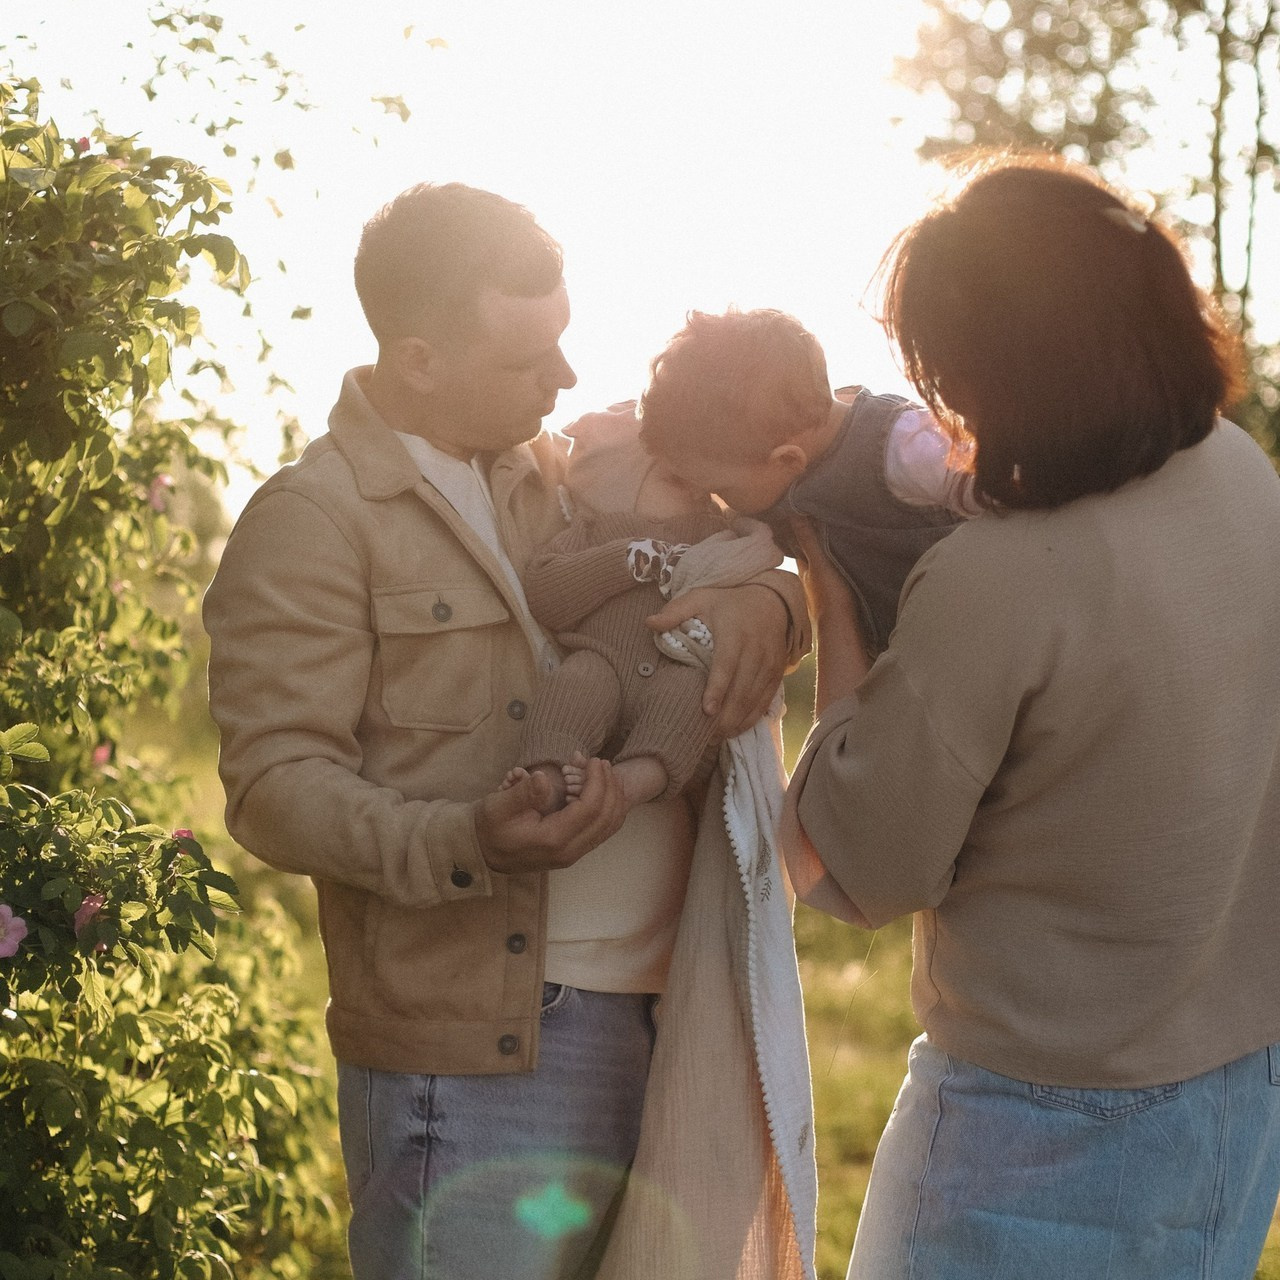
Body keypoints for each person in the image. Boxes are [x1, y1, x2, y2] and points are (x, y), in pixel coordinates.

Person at [202, 182, 810, 1280]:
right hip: (479, 1051)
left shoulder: (573, 464)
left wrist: (771, 602)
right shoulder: (312, 520)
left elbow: (775, 481)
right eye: (529, 358)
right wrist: (468, 836)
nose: (566, 377)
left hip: (676, 1016)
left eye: (565, 343)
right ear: (419, 357)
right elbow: (273, 786)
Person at [781, 152, 1280, 1280]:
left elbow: (856, 864)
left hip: (1032, 1129)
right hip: (1237, 1092)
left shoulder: (1000, 573)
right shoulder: (1241, 476)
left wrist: (825, 585)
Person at [636, 307, 978, 657]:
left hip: (979, 630)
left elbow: (1000, 486)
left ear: (786, 460)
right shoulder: (767, 475)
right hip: (897, 660)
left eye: (719, 488)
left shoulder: (900, 443)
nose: (711, 499)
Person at [507, 402, 786, 813]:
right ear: (619, 485)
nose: (698, 488)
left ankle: (633, 779)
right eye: (677, 478)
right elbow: (547, 593)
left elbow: (757, 558)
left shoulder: (713, 533)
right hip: (604, 659)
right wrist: (627, 559)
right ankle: (546, 775)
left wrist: (751, 530)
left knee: (696, 699)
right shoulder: (591, 532)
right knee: (574, 687)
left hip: (679, 666)